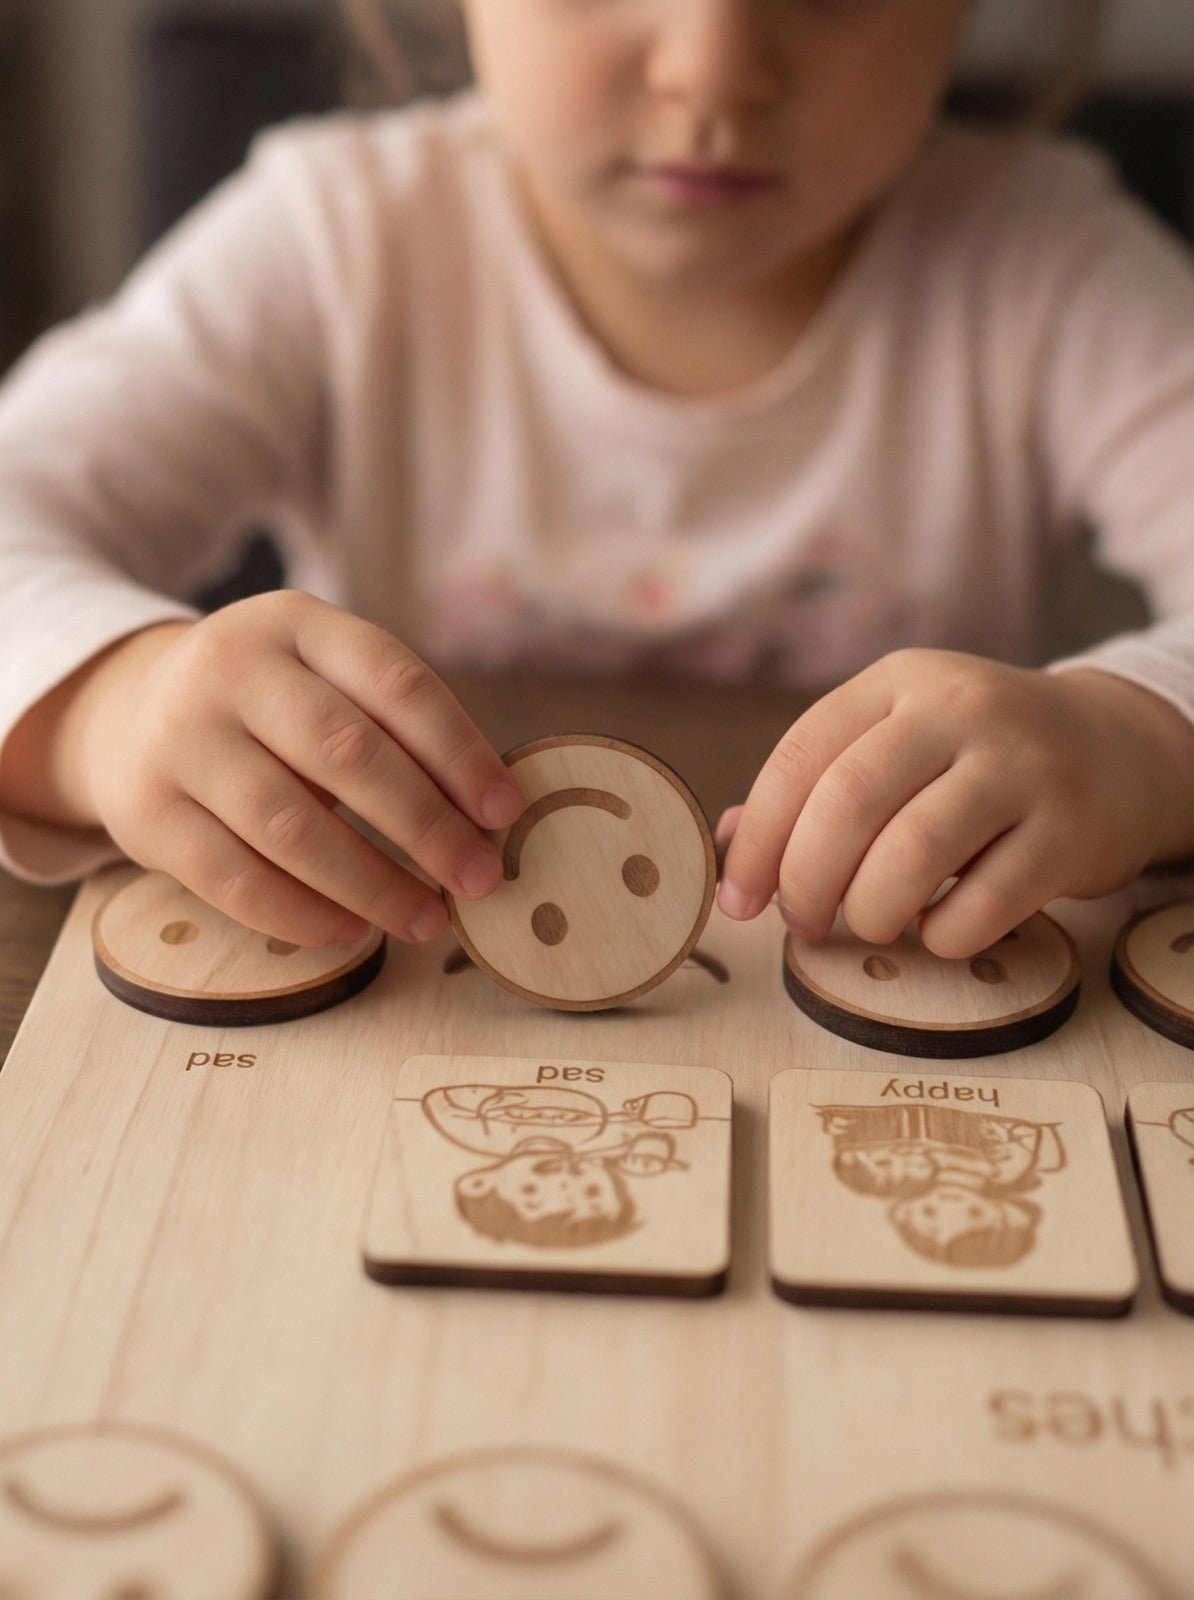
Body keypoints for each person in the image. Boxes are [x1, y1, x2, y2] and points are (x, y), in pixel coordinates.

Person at [1, 0, 1193, 962]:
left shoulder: (1056, 269)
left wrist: (1131, 744)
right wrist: (113, 704)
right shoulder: (336, 242)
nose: (713, 71)